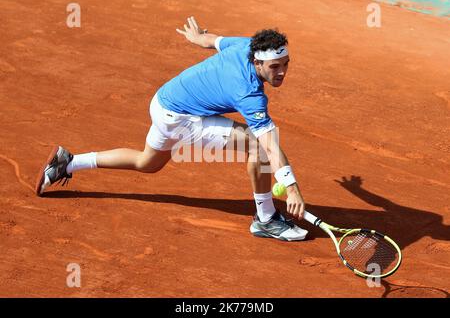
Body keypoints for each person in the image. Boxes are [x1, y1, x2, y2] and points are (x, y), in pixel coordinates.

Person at [35, 17, 309, 241]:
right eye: (275, 67)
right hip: (180, 117)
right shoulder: (249, 93)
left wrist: (197, 37)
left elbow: (210, 41)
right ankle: (266, 219)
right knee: (258, 145)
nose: (282, 72)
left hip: (163, 100)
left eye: (286, 64)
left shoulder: (246, 46)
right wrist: (292, 188)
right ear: (258, 63)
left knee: (148, 162)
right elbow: (270, 145)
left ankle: (68, 163)